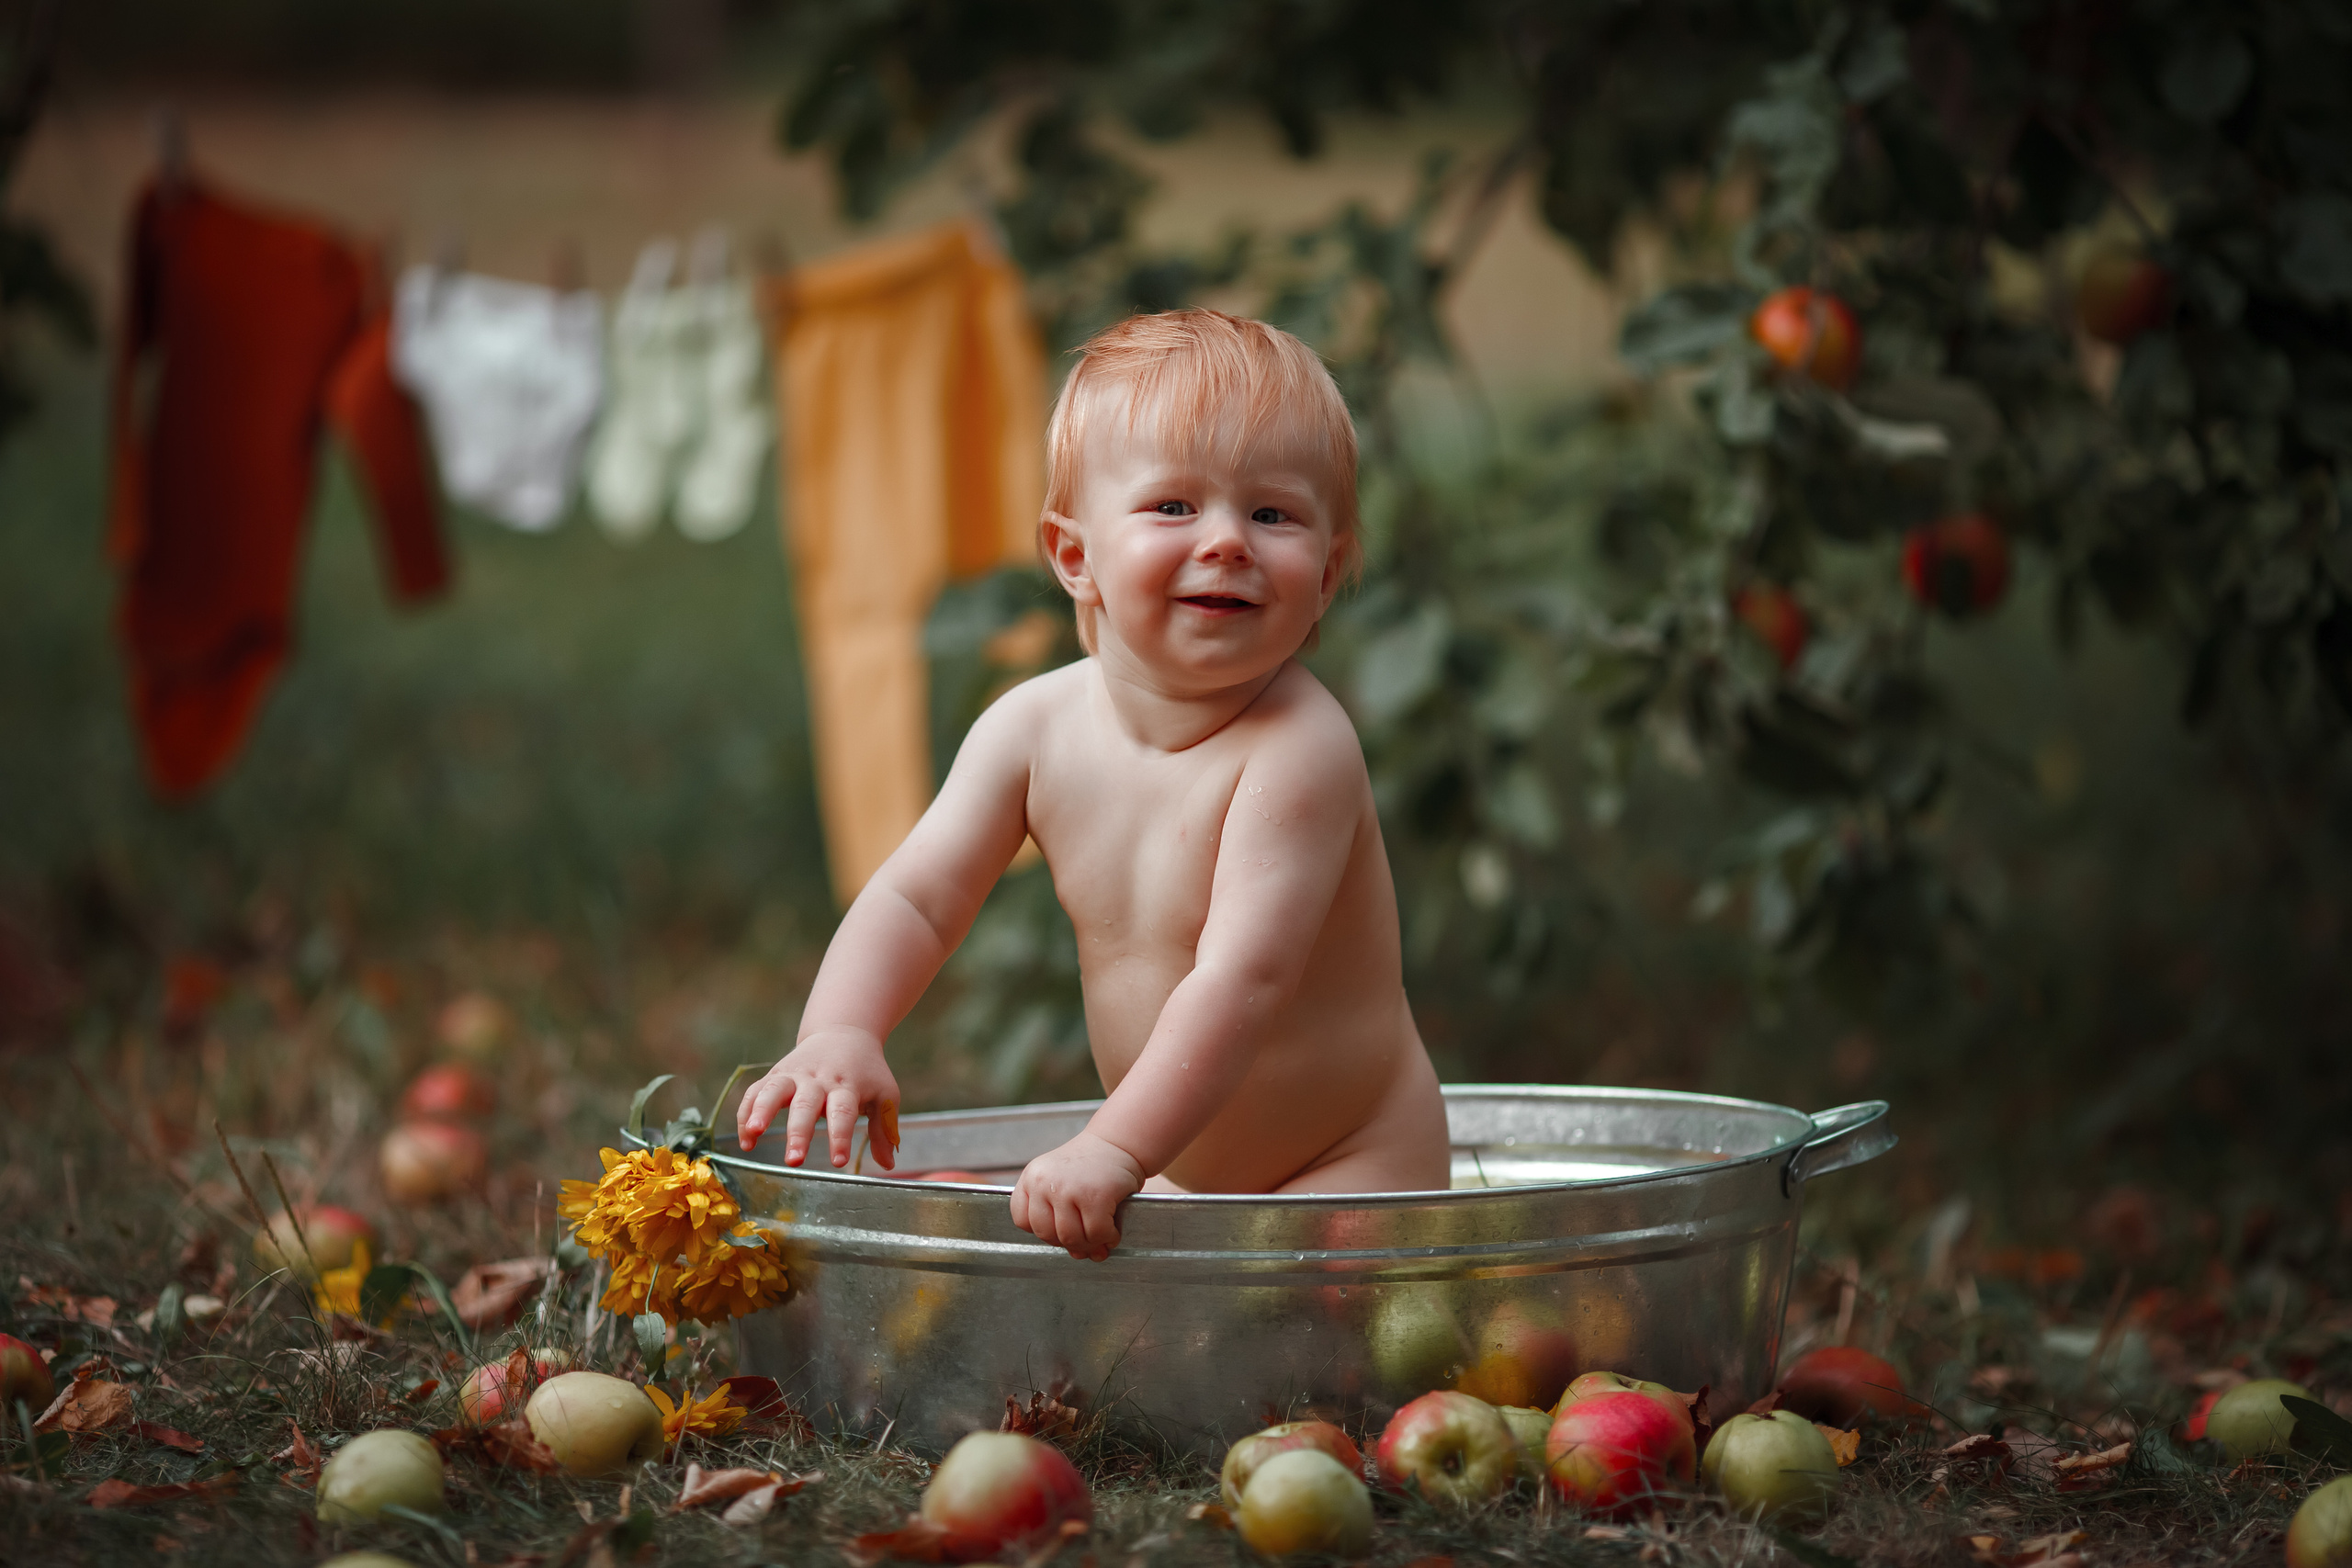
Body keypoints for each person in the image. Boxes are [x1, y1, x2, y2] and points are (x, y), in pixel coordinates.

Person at [736, 309, 1450, 1258]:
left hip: (1351, 1159)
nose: (1228, 540)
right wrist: (839, 1028)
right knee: (1160, 1365)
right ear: (1076, 558)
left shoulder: (1297, 750)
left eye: (1272, 514)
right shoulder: (1031, 729)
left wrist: (1112, 1143)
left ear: (1324, 578)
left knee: (1325, 1349)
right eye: (1173, 507)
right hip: (1171, 1158)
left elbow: (1243, 979)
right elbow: (918, 895)